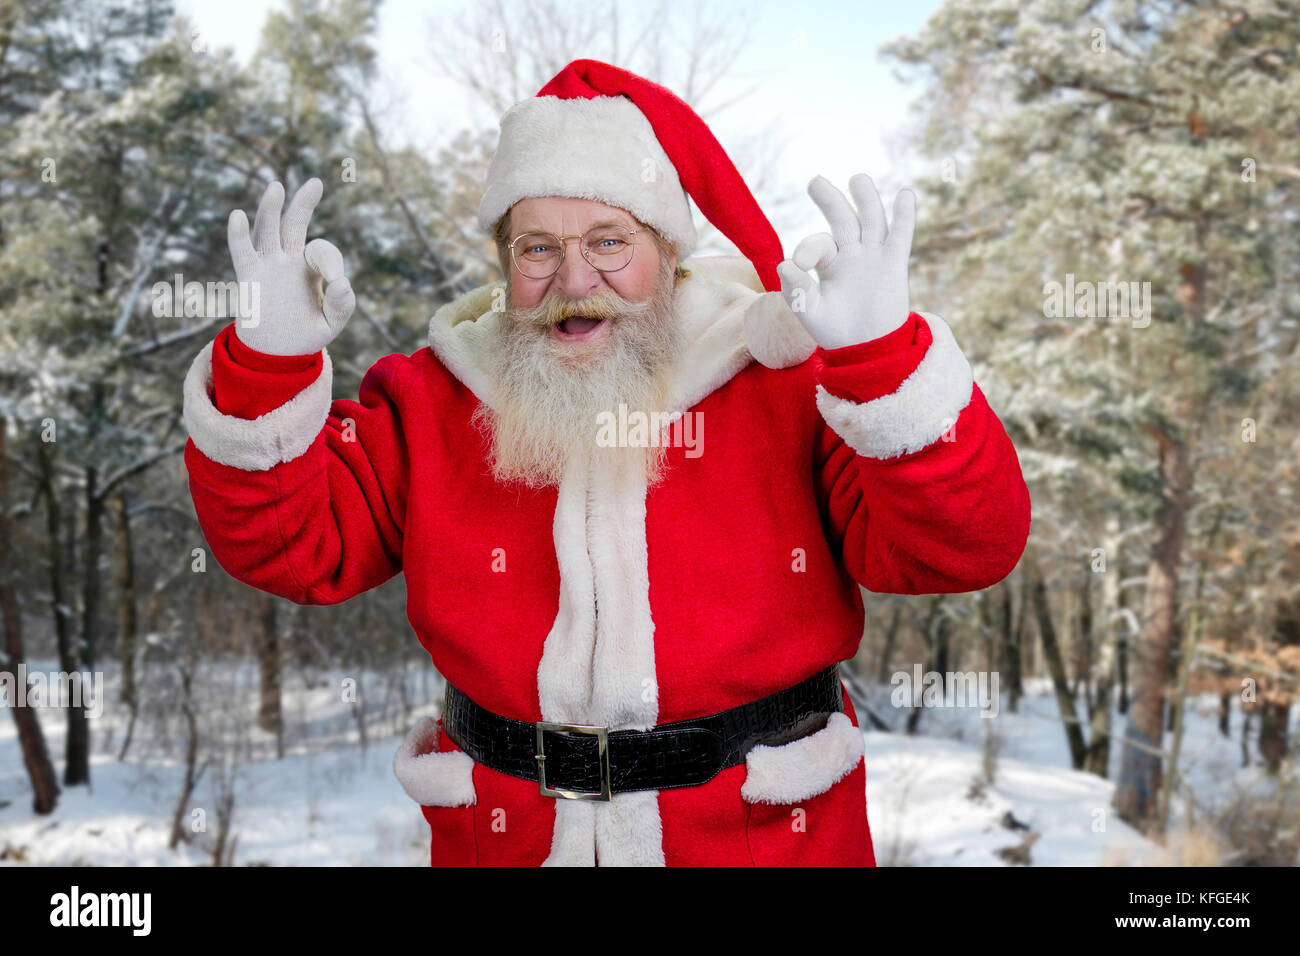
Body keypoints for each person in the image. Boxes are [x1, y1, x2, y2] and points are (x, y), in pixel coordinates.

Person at [181, 59, 1031, 866]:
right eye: (537, 247)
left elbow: (962, 548)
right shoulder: (434, 397)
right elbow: (290, 550)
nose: (572, 276)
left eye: (609, 241)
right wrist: (268, 365)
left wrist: (882, 358)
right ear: (505, 264)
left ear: (669, 255)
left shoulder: (783, 381)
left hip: (764, 843)